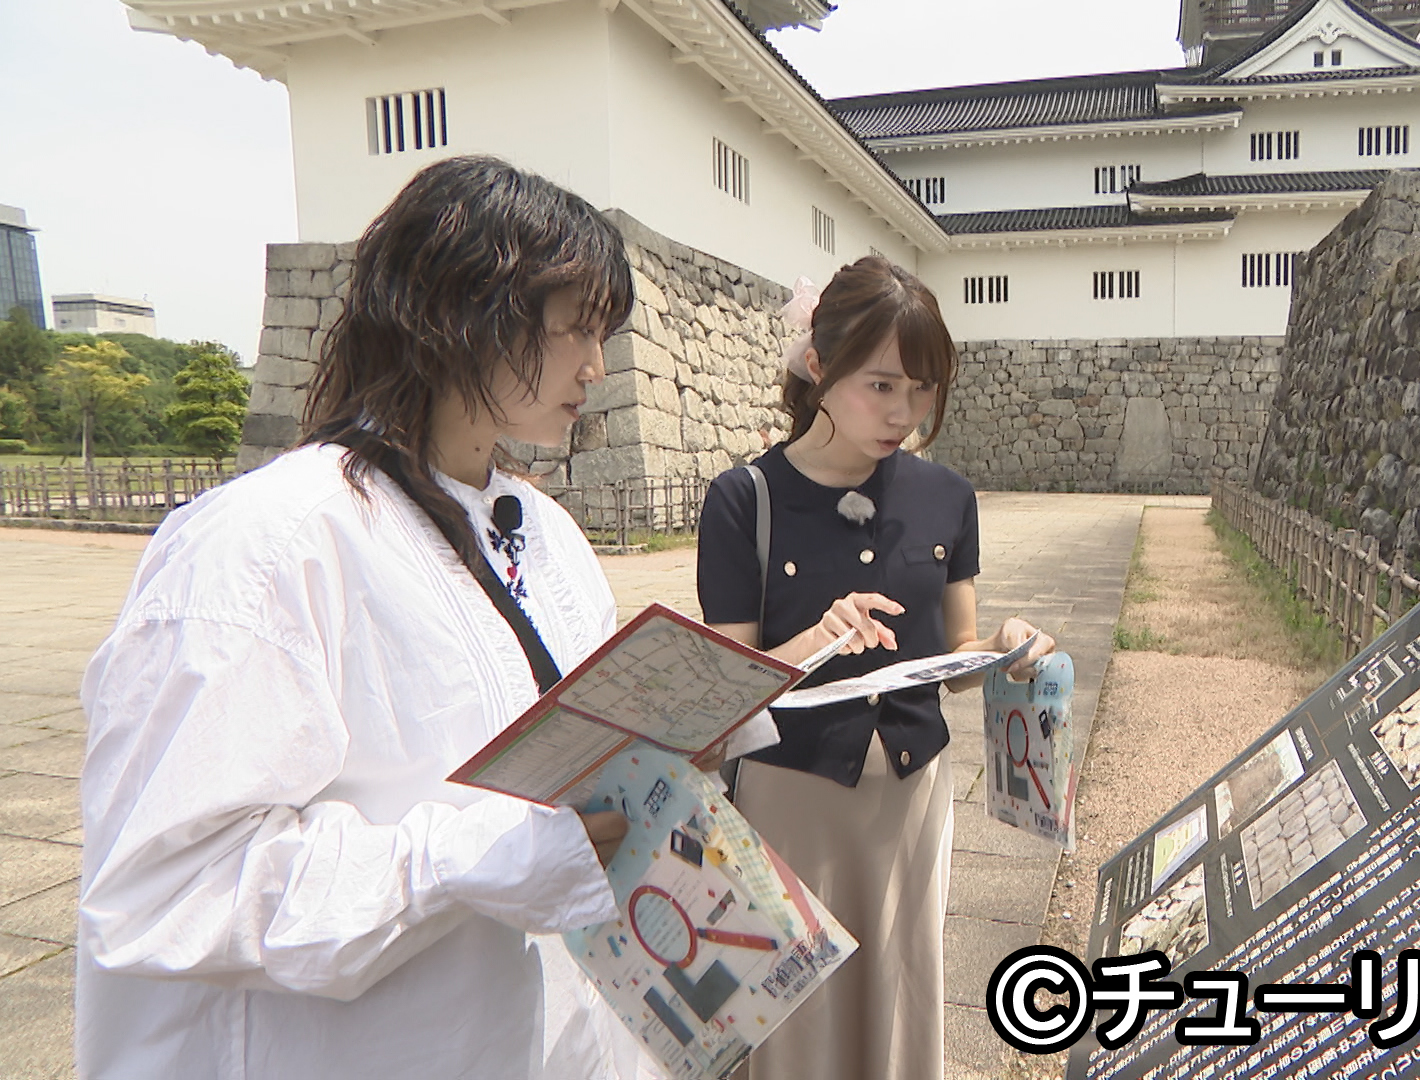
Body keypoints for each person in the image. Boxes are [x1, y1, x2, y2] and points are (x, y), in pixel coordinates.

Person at [76, 156, 653, 1080]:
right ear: (467, 310)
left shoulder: (545, 533)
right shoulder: (269, 544)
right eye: (576, 328)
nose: (596, 365)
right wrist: (473, 859)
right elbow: (170, 887)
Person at [696, 255, 1054, 1080]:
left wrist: (1005, 647)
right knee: (798, 1024)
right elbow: (726, 688)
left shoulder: (947, 497)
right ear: (819, 365)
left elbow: (955, 658)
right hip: (791, 800)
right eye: (881, 385)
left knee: (902, 996)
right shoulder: (744, 500)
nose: (904, 412)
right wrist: (814, 641)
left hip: (913, 796)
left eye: (922, 389)